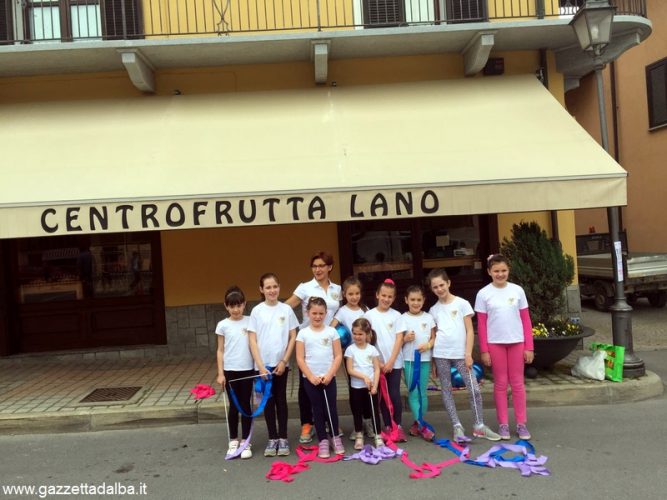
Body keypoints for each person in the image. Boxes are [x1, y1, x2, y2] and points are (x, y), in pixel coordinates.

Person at [427, 269, 500, 443]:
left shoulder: (462, 304)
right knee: (446, 390)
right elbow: (433, 336)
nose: (439, 289)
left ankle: (479, 425)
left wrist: (468, 353)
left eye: (442, 285)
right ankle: (457, 426)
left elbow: (469, 330)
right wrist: (433, 362)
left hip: (461, 354)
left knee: (474, 388)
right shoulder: (433, 310)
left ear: (449, 283)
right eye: (435, 287)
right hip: (441, 354)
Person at [474, 254, 534, 440]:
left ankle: (521, 424)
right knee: (500, 384)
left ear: (509, 270)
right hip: (495, 344)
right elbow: (482, 324)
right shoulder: (483, 294)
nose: (500, 274)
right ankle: (503, 424)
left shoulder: (518, 291)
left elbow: (525, 320)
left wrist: (528, 346)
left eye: (504, 271)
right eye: (496, 271)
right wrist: (484, 350)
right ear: (489, 272)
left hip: (517, 342)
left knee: (517, 384)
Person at [285, 251, 341, 444]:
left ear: (329, 267)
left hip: (329, 336)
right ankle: (307, 423)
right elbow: (287, 307)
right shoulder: (305, 287)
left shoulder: (337, 289)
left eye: (321, 266)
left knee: (327, 378)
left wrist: (330, 329)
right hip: (307, 338)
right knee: (306, 383)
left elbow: (338, 312)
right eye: (314, 266)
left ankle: (328, 422)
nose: (318, 269)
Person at [248, 273, 299, 457]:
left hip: (281, 365)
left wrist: (285, 360)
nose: (272, 290)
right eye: (268, 287)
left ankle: (283, 437)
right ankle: (272, 437)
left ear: (279, 287)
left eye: (274, 286)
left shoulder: (286, 310)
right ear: (261, 290)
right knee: (267, 402)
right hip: (262, 366)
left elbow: (293, 336)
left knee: (281, 400)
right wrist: (260, 366)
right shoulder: (256, 311)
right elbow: (252, 339)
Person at [295, 297, 345, 458]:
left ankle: (335, 437)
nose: (317, 316)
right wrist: (310, 376)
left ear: (326, 313)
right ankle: (323, 439)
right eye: (314, 313)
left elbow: (338, 356)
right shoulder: (303, 333)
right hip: (311, 379)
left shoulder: (331, 332)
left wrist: (330, 374)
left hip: (329, 378)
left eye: (321, 313)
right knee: (317, 409)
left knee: (331, 408)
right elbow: (300, 358)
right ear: (307, 313)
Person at [330, 276, 375, 441]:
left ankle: (368, 421)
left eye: (357, 293)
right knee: (354, 391)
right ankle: (357, 425)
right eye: (350, 294)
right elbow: (331, 328)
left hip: (366, 356)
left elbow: (372, 331)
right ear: (344, 295)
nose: (354, 297)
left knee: (367, 388)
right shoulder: (341, 312)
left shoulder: (366, 311)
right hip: (350, 356)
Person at [363, 278, 407, 441]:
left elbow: (399, 340)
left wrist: (390, 362)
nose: (386, 299)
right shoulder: (369, 315)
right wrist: (379, 364)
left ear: (393, 298)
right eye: (383, 295)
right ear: (377, 295)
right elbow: (367, 340)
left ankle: (398, 425)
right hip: (377, 364)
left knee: (394, 394)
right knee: (382, 395)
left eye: (390, 296)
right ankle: (387, 425)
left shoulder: (397, 316)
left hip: (394, 363)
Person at [215, 286, 254, 459]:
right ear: (226, 306)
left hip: (247, 369)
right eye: (232, 306)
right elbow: (220, 350)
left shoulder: (250, 321)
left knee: (246, 405)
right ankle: (233, 440)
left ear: (244, 304)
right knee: (233, 407)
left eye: (239, 305)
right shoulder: (222, 325)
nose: (236, 310)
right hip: (230, 371)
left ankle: (246, 441)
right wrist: (220, 373)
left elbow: (255, 345)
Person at [400, 285, 436, 441]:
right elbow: (396, 341)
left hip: (424, 360)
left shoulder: (428, 318)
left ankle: (417, 422)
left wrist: (428, 345)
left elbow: (434, 337)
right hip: (409, 361)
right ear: (406, 300)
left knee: (422, 392)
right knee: (413, 392)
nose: (416, 303)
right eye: (412, 300)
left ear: (424, 300)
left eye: (419, 300)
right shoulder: (402, 318)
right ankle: (423, 426)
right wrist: (405, 339)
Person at [344, 317, 384, 450]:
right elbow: (350, 370)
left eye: (360, 334)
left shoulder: (372, 349)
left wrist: (375, 385)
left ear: (367, 334)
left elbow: (377, 368)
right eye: (355, 333)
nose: (357, 336)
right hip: (357, 387)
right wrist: (364, 377)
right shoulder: (350, 350)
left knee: (374, 412)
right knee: (357, 411)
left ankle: (378, 436)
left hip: (371, 387)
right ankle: (359, 434)